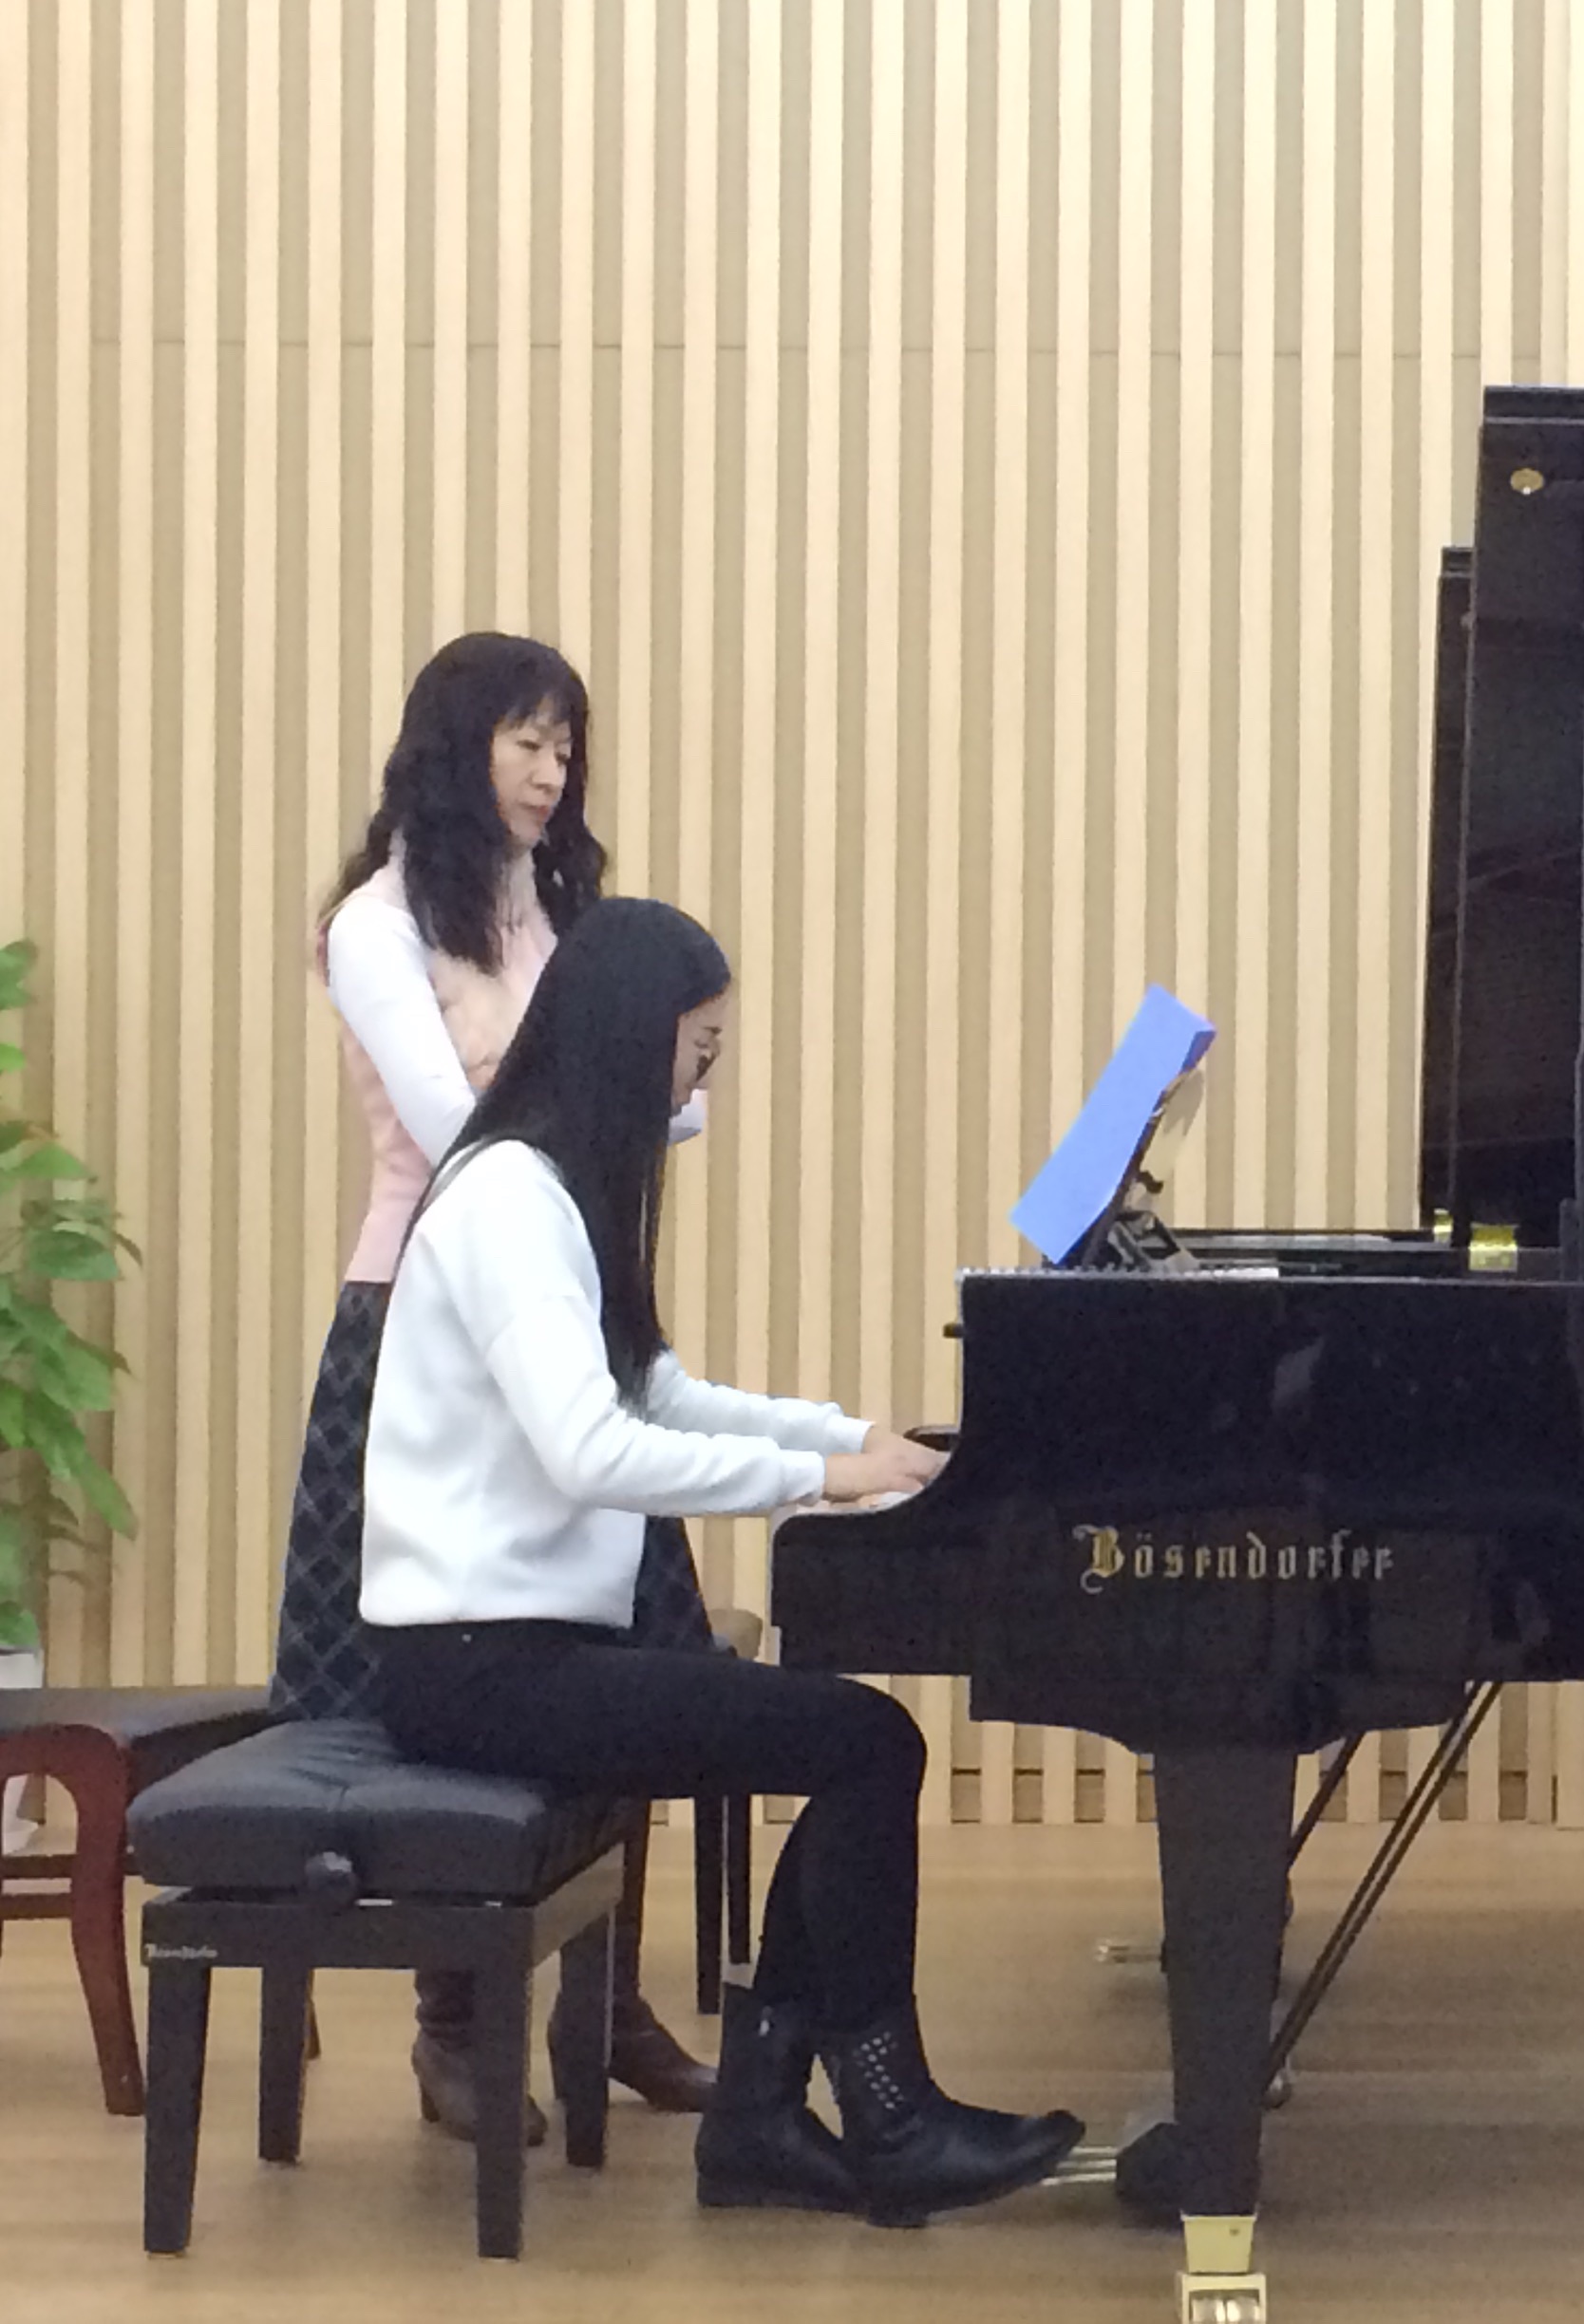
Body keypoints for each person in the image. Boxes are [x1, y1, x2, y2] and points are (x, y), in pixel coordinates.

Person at [363, 896, 1083, 2222]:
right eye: (696, 1056)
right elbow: (593, 1451)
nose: (697, 1093)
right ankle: (880, 2119)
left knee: (854, 1744)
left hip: (521, 1648)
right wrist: (818, 1480)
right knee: (864, 1743)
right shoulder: (509, 1202)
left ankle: (773, 2118)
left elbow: (661, 1392)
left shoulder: (548, 1189)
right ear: (630, 1040)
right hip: (475, 1669)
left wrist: (855, 1438)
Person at [271, 632, 717, 2135]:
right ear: (456, 749)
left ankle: (610, 2002)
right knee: (448, 1673)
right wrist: (621, 1087)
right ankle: (455, 2026)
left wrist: (650, 1086)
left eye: (566, 746)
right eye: (527, 741)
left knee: (630, 1652)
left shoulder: (561, 908)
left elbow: (667, 1100)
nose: (552, 771)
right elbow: (457, 1119)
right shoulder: (374, 926)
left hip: (567, 1310)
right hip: (419, 1324)